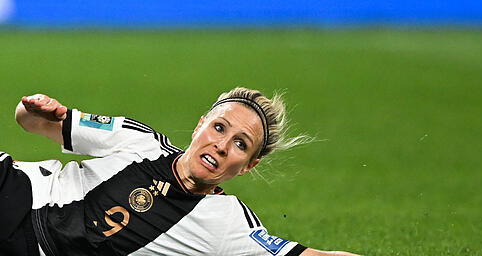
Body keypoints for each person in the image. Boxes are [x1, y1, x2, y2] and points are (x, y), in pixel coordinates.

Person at [0, 88, 360, 256]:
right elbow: (30, 122)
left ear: (249, 165)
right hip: (15, 192)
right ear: (200, 125)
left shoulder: (228, 223)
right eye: (219, 128)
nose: (221, 145)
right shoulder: (141, 142)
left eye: (240, 144)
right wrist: (37, 109)